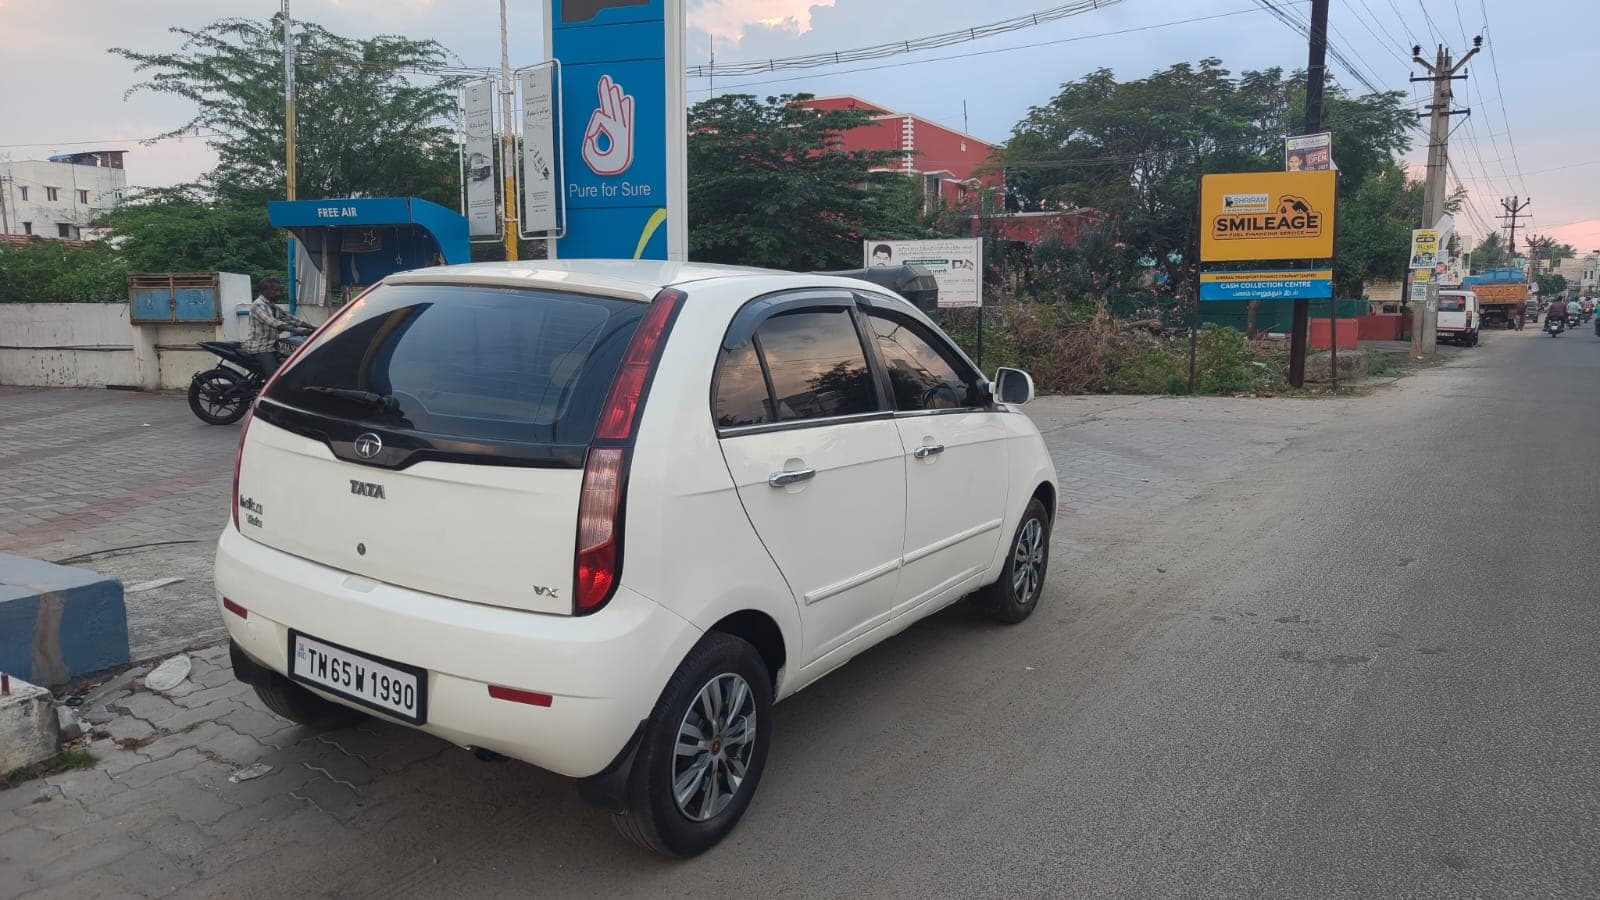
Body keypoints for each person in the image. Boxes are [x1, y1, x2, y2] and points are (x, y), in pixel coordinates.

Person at [243, 277, 313, 374]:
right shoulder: (258, 305)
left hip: (274, 346)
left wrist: (315, 328)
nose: (278, 294)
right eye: (276, 290)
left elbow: (291, 319)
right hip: (262, 348)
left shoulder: (272, 306)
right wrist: (297, 331)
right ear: (265, 290)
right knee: (274, 378)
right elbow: (273, 323)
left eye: (279, 290)